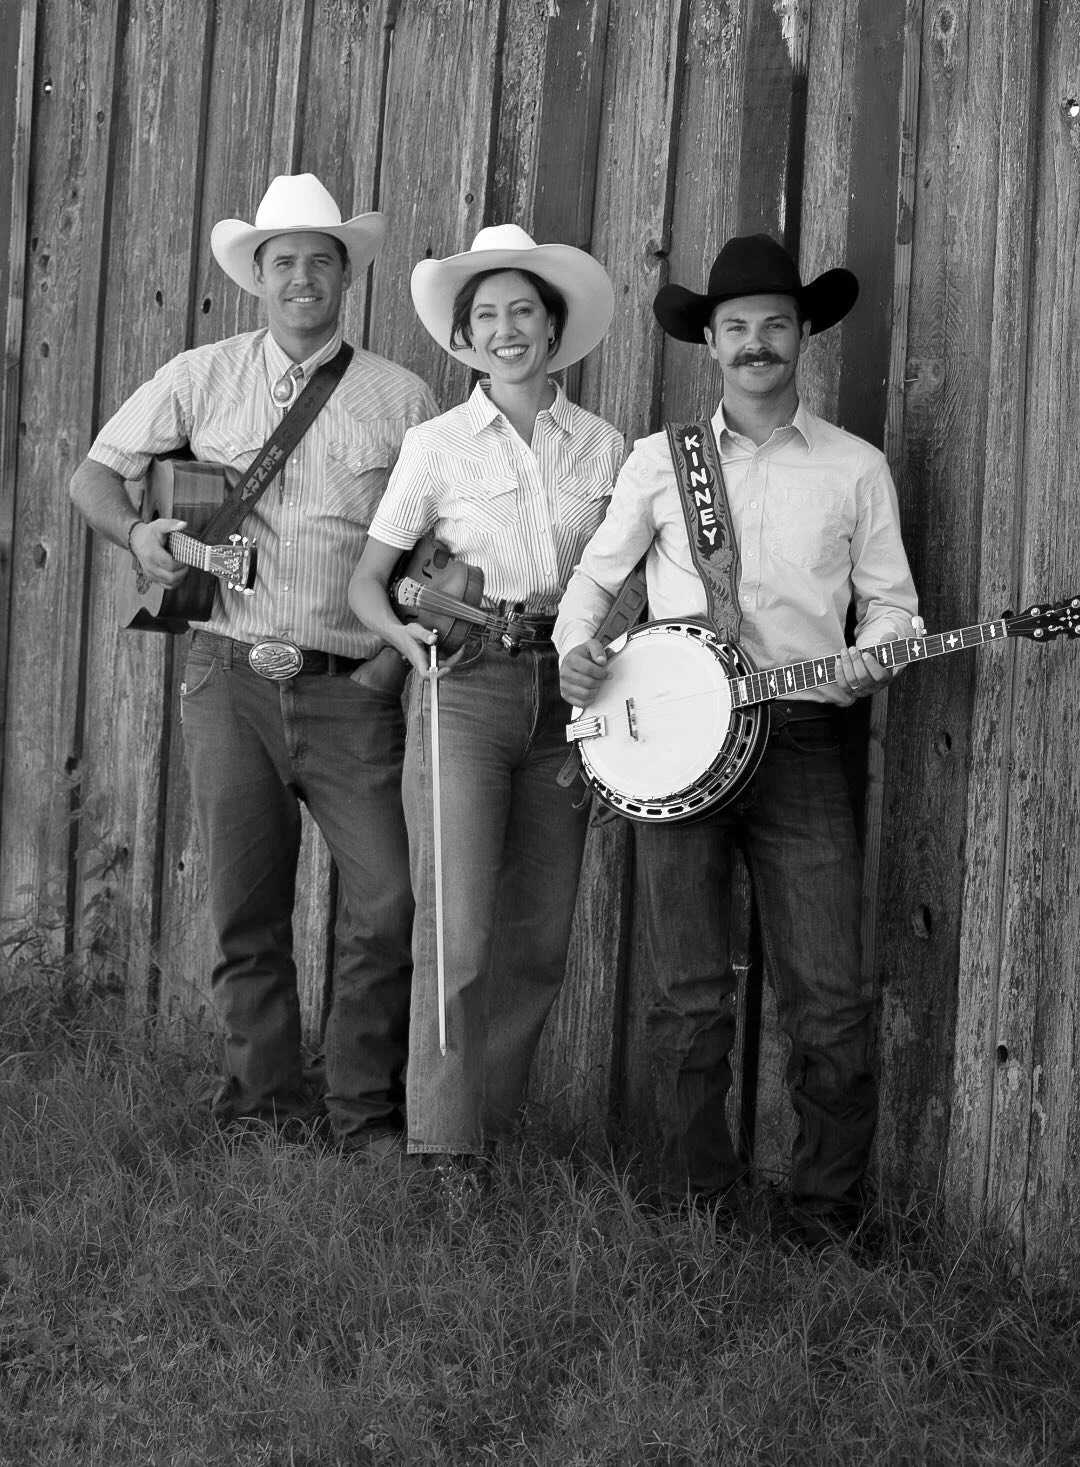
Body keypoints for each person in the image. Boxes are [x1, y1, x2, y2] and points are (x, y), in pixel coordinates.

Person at [554, 232, 920, 1246]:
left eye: (775, 325)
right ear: (708, 344)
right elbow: (593, 581)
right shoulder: (661, 462)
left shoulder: (856, 469)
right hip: (676, 741)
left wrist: (873, 655)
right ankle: (692, 1211)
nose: (756, 343)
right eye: (737, 328)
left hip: (802, 740)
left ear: (803, 336)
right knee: (683, 997)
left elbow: (894, 610)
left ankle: (824, 1221)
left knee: (833, 998)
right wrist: (577, 650)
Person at [69, 173, 439, 1151]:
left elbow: (428, 555)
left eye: (322, 260)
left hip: (352, 689)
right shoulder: (202, 376)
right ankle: (263, 1117)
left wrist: (389, 672)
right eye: (286, 262)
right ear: (259, 277)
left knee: (389, 904)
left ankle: (365, 1116)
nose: (304, 277)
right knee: (246, 911)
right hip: (227, 677)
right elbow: (94, 476)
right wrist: (141, 536)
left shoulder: (403, 397)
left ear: (346, 274)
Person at [348, 225, 623, 1177]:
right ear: (464, 340)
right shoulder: (434, 444)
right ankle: (441, 1147)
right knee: (456, 928)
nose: (507, 330)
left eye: (524, 312)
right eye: (487, 317)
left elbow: (614, 578)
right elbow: (366, 584)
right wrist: (401, 639)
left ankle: (487, 1129)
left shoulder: (604, 443)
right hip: (462, 688)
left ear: (553, 328)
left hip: (565, 693)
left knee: (540, 934)